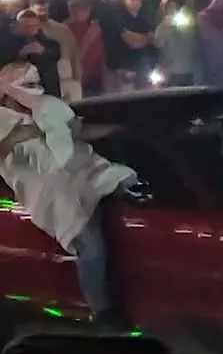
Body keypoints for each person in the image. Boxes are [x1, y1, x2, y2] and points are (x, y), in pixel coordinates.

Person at [0, 63, 137, 327]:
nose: (33, 91)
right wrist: (30, 131)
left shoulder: (49, 109)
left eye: (34, 84)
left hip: (87, 172)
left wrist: (120, 128)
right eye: (25, 86)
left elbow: (78, 131)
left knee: (126, 183)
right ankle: (103, 314)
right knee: (90, 247)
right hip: (52, 194)